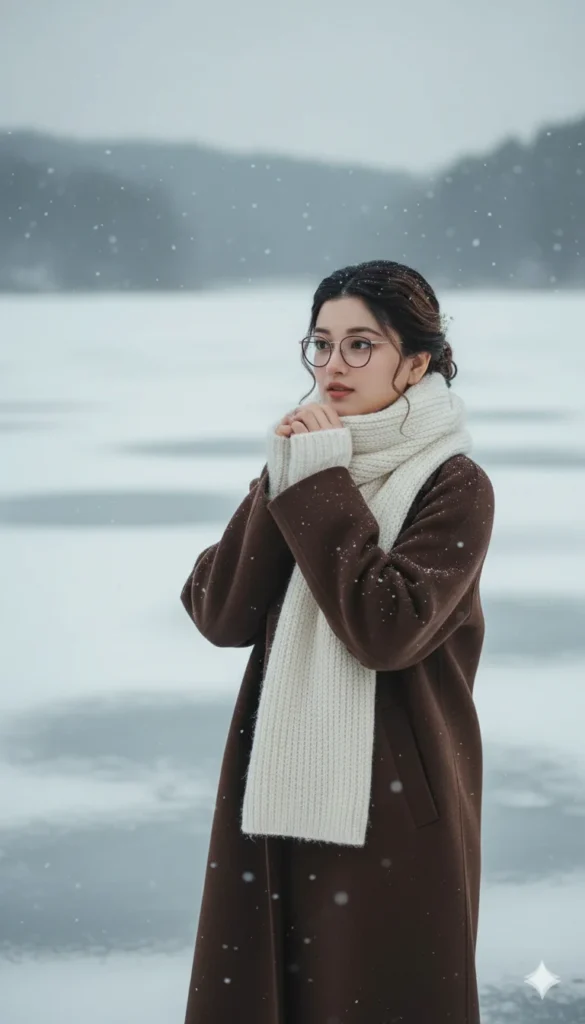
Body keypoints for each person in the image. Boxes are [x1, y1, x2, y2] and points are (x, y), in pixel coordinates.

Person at [180, 259, 495, 1024]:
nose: (332, 365)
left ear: (415, 362)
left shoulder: (454, 486)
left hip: (393, 806)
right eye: (320, 344)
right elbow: (219, 612)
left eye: (361, 345)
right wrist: (284, 477)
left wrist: (316, 485)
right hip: (277, 793)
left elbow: (384, 629)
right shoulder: (303, 462)